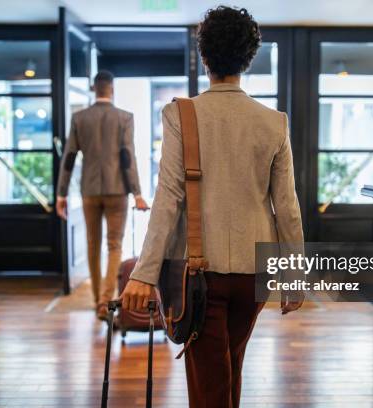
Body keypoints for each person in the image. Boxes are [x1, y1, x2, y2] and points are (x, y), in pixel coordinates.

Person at [120, 6, 304, 407]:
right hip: (256, 272)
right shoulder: (274, 123)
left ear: (204, 57)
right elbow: (287, 207)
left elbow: (168, 199)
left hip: (199, 273)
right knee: (228, 367)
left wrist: (144, 273)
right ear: (248, 58)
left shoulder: (180, 115)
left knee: (210, 383)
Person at [56, 70, 149, 321]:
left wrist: (61, 194)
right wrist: (138, 193)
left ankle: (98, 299)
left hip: (89, 191)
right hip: (118, 191)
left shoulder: (80, 118)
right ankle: (105, 301)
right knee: (114, 245)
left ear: (94, 89)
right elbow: (128, 157)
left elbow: (69, 158)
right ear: (112, 89)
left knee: (92, 244)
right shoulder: (124, 118)